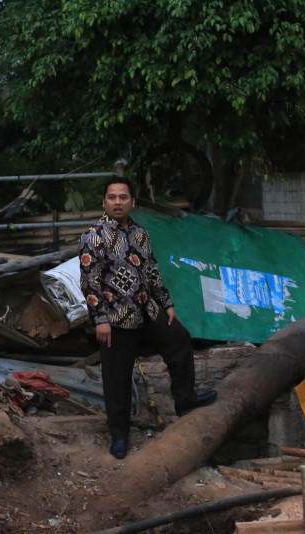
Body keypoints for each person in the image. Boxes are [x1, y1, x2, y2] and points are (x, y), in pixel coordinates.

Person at [78, 176, 217, 460]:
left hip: (146, 309)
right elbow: (89, 282)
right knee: (116, 377)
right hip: (116, 317)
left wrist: (166, 303)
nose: (118, 202)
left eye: (123, 197)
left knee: (178, 338)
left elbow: (152, 271)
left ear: (133, 202)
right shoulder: (95, 236)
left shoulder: (141, 234)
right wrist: (100, 319)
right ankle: (119, 434)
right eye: (112, 197)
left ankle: (185, 399)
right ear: (105, 202)